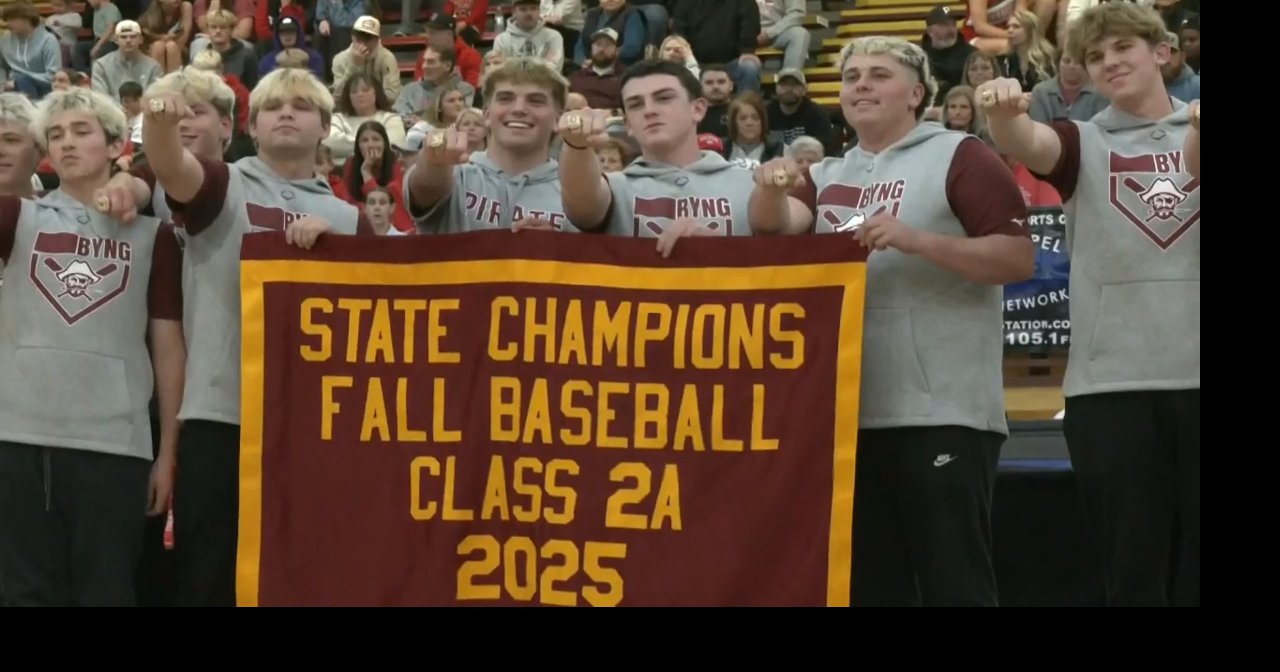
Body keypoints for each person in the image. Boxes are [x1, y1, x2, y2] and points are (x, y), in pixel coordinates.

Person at [750, 35, 1034, 607]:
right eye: (852, 75)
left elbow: (1016, 258)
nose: (860, 84)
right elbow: (774, 232)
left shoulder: (960, 154)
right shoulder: (826, 173)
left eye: (878, 75)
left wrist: (919, 241)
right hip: (843, 415)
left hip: (942, 410)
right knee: (869, 586)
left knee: (953, 581)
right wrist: (768, 191)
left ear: (916, 94)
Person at [978, 1, 1199, 607]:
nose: (1108, 62)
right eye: (1095, 57)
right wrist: (1002, 112)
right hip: (1110, 385)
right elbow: (1029, 141)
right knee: (1132, 571)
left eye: (1122, 48)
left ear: (1162, 53)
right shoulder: (1081, 140)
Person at [135, 67, 373, 607]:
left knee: (299, 576)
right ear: (252, 125)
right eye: (273, 107)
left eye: (301, 105)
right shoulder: (223, 182)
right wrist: (159, 119)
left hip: (315, 424)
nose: (286, 113)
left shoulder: (349, 218)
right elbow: (169, 164)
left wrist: (341, 252)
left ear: (325, 127)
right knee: (209, 575)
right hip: (221, 415)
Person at [0, 87, 185, 607]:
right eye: (55, 135)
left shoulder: (156, 237)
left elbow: (168, 347)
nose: (67, 143)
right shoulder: (17, 217)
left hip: (115, 445)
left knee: (107, 593)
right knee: (23, 593)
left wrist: (167, 452)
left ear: (114, 145)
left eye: (81, 131)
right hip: (18, 438)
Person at [558, 59, 758, 255]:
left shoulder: (751, 184)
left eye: (663, 98)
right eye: (636, 104)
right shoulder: (614, 187)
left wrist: (722, 252)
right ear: (627, 124)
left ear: (697, 109)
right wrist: (576, 144)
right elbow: (582, 206)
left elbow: (787, 229)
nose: (649, 110)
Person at [405, 57, 569, 233]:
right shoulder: (456, 174)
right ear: (486, 114)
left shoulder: (576, 193)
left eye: (536, 101)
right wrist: (433, 160)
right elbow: (425, 186)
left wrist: (556, 250)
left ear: (557, 120)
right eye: (505, 99)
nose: (519, 109)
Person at [91, 21, 165, 103]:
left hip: (144, 113)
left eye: (133, 36)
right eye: (123, 37)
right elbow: (100, 98)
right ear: (115, 40)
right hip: (111, 113)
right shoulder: (101, 65)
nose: (128, 40)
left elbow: (157, 97)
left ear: (141, 39)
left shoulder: (153, 67)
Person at [0, 2, 61, 99]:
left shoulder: (48, 40)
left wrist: (17, 82)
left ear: (27, 19)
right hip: (11, 85)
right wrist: (2, 83)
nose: (8, 24)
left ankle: (31, 112)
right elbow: (1, 66)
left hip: (43, 87)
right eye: (6, 20)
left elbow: (52, 76)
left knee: (22, 80)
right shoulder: (5, 38)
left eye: (12, 20)